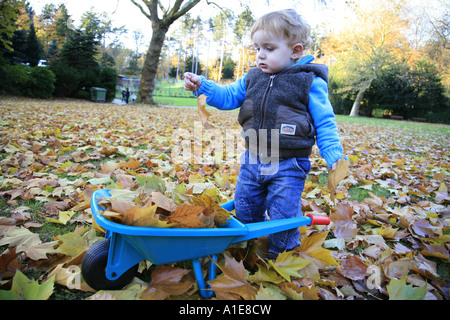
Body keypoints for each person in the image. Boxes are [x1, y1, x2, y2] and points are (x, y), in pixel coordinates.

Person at [184, 9, 345, 259]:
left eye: (269, 48)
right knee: (246, 205)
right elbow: (227, 97)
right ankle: (248, 248)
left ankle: (282, 256)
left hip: (289, 163)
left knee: (283, 213)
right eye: (257, 48)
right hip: (253, 157)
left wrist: (332, 152)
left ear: (295, 50)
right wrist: (202, 86)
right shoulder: (253, 77)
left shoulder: (309, 82)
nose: (260, 55)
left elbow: (325, 121)